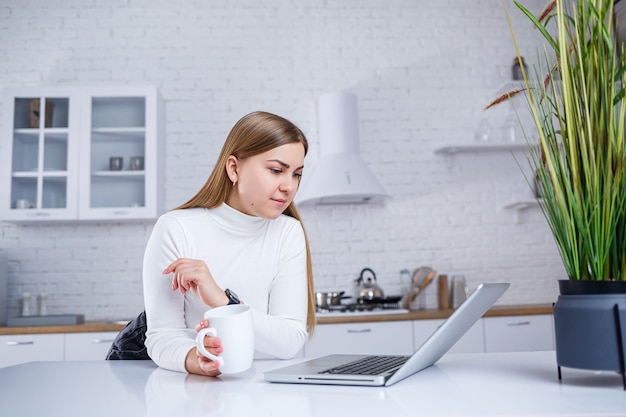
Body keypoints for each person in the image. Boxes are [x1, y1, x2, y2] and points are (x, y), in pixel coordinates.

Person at [142, 111, 316, 376]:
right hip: (194, 394)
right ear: (234, 168)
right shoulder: (177, 228)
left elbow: (289, 342)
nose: (289, 186)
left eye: (296, 174)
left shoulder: (288, 232)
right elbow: (162, 336)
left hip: (267, 393)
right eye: (276, 170)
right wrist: (195, 358)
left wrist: (224, 302)